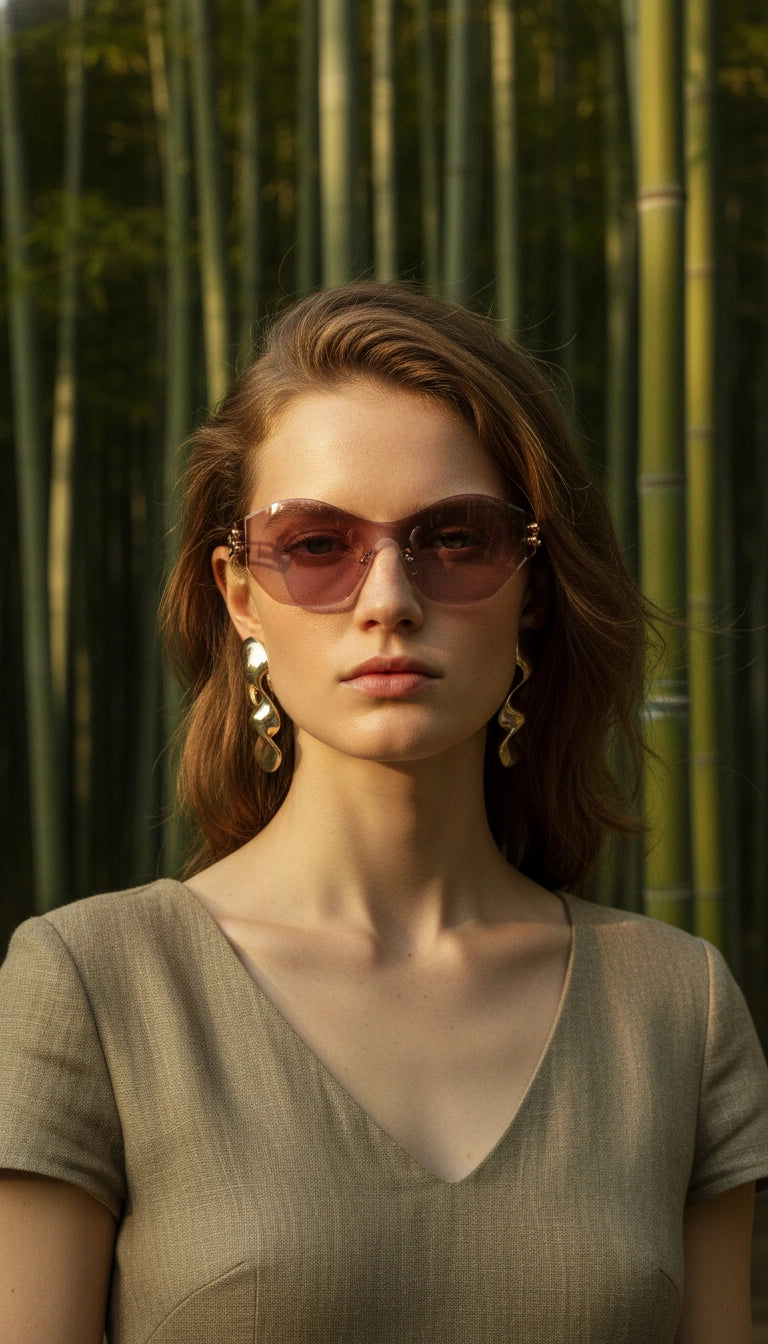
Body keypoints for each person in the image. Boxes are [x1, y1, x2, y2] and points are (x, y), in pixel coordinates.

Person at [1, 282, 767, 1344]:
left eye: (455, 539)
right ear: (239, 594)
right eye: (316, 543)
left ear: (532, 589)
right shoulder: (91, 987)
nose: (388, 598)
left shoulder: (678, 1011)